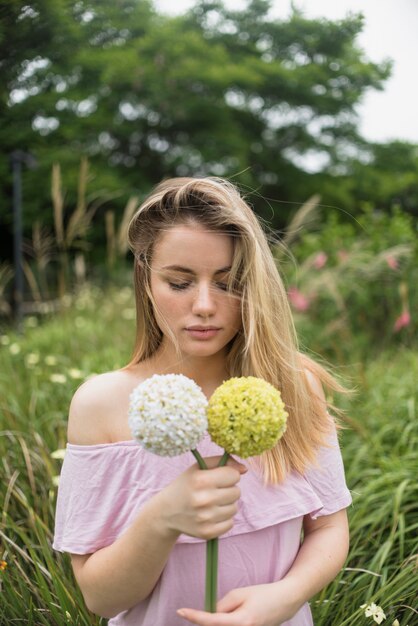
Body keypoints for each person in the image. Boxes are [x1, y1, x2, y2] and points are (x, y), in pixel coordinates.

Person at [53, 177, 352, 626]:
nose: (206, 305)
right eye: (179, 282)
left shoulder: (293, 387)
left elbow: (329, 527)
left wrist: (287, 596)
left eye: (229, 283)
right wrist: (161, 519)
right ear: (146, 279)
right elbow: (100, 597)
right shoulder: (102, 405)